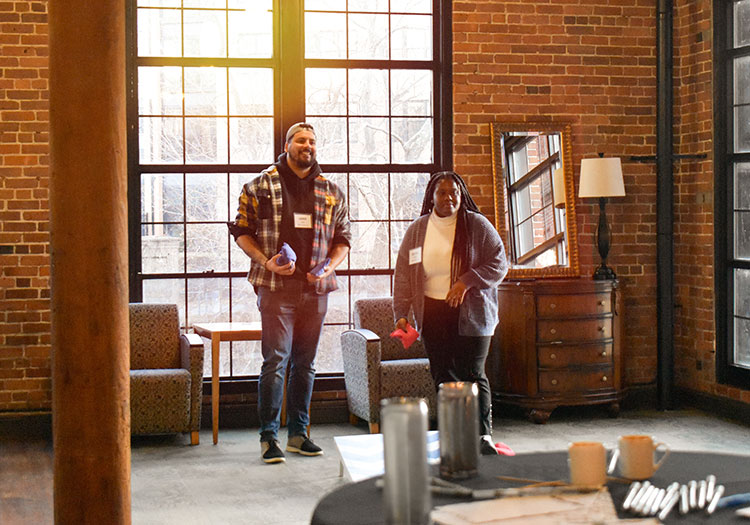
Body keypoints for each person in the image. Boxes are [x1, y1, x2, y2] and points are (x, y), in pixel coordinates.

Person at [229, 123, 351, 464]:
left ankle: (299, 433)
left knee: (306, 364)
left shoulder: (332, 191)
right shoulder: (259, 185)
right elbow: (240, 230)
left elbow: (344, 238)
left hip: (316, 289)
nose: (307, 146)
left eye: (313, 141)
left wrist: (330, 266)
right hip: (275, 288)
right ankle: (269, 437)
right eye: (301, 140)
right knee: (276, 361)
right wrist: (266, 262)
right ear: (287, 145)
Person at [393, 171, 509, 455]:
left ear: (462, 194)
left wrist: (465, 281)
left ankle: (483, 436)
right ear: (431, 196)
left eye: (454, 191)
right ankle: (452, 431)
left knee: (473, 373)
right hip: (432, 311)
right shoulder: (418, 230)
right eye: (442, 192)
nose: (449, 197)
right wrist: (401, 312)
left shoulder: (477, 225)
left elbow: (499, 263)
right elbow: (404, 274)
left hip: (473, 314)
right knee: (443, 375)